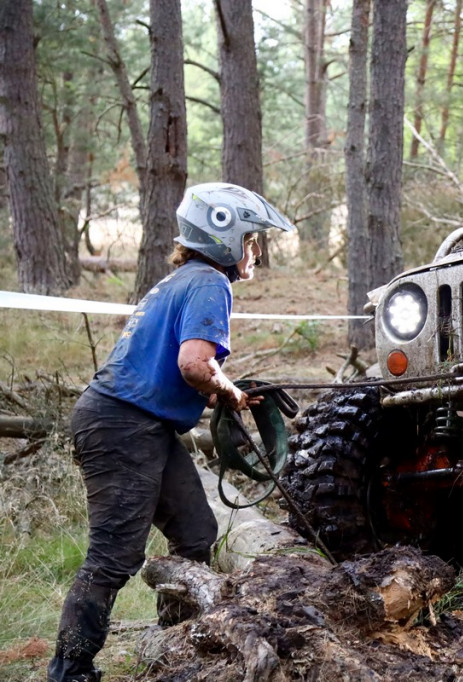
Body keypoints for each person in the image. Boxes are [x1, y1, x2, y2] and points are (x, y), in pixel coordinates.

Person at [47, 183, 296, 682]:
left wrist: (221, 391)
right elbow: (193, 364)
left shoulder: (180, 280)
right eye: (251, 239)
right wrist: (228, 392)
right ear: (224, 237)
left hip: (139, 422)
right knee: (115, 554)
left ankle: (173, 646)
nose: (256, 251)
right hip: (122, 425)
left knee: (197, 534)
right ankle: (69, 670)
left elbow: (169, 369)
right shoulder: (210, 283)